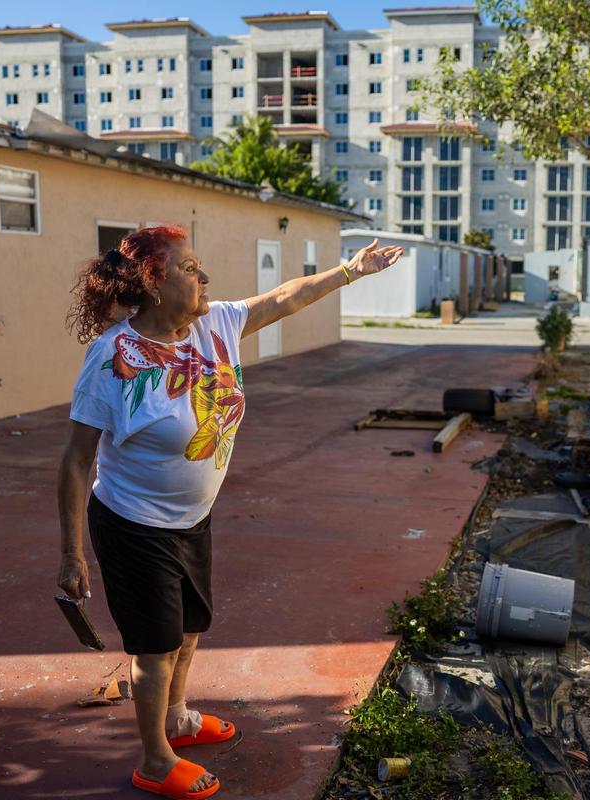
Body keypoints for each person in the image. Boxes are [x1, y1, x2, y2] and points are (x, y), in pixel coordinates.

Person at [56, 225, 402, 800]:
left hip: (192, 518)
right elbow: (74, 461)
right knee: (154, 647)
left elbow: (284, 296)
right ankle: (155, 759)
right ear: (154, 281)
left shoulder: (215, 323)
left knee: (189, 631)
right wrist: (71, 554)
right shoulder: (111, 357)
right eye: (190, 268)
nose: (204, 277)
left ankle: (177, 718)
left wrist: (351, 270)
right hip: (133, 524)